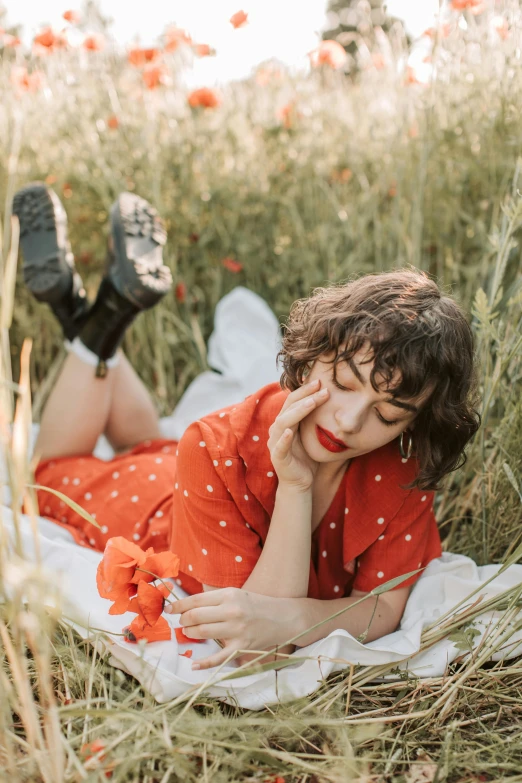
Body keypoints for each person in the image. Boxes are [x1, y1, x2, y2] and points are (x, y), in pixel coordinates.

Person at [13, 183, 480, 671]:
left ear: (415, 422)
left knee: (147, 442)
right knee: (46, 474)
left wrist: (295, 618)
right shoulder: (216, 444)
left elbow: (380, 607)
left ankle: (93, 315)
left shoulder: (402, 465)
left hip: (180, 464)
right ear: (317, 349)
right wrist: (296, 486)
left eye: (387, 415)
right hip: (155, 507)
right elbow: (258, 648)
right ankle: (95, 318)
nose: (348, 421)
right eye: (343, 382)